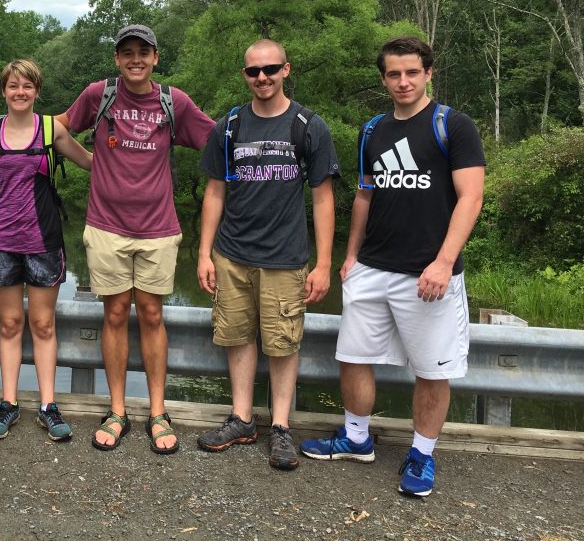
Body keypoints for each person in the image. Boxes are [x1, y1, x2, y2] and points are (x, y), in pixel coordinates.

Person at [300, 36, 485, 498]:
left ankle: (421, 454)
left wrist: (443, 262)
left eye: (412, 72)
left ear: (428, 74)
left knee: (431, 370)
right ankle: (356, 438)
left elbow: (471, 198)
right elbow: (364, 196)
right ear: (383, 78)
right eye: (393, 74)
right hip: (372, 267)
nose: (403, 82)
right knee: (353, 357)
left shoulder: (453, 126)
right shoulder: (372, 131)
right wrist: (350, 257)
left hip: (429, 272)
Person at [57, 24, 215, 455]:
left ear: (156, 57)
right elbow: (56, 129)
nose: (135, 59)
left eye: (143, 52)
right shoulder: (99, 94)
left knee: (150, 314)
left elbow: (214, 140)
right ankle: (117, 409)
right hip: (106, 225)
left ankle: (158, 412)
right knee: (113, 314)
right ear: (117, 59)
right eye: (127, 52)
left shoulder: (172, 101)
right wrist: (90, 161)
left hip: (159, 228)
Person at [196, 39, 339, 470]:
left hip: (286, 256)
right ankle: (242, 418)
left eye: (270, 69)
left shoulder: (308, 126)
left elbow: (323, 199)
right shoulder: (229, 126)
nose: (262, 77)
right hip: (232, 253)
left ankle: (280, 426)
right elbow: (215, 192)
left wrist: (325, 263)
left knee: (282, 343)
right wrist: (204, 253)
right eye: (253, 71)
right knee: (236, 336)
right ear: (244, 75)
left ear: (286, 70)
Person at [0, 59, 93, 442]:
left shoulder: (51, 129)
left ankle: (48, 406)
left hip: (43, 241)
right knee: (10, 324)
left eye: (27, 86)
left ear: (37, 91)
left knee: (43, 325)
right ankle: (8, 403)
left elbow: (92, 164)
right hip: (0, 243)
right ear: (4, 91)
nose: (20, 92)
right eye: (13, 86)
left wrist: (135, 154)